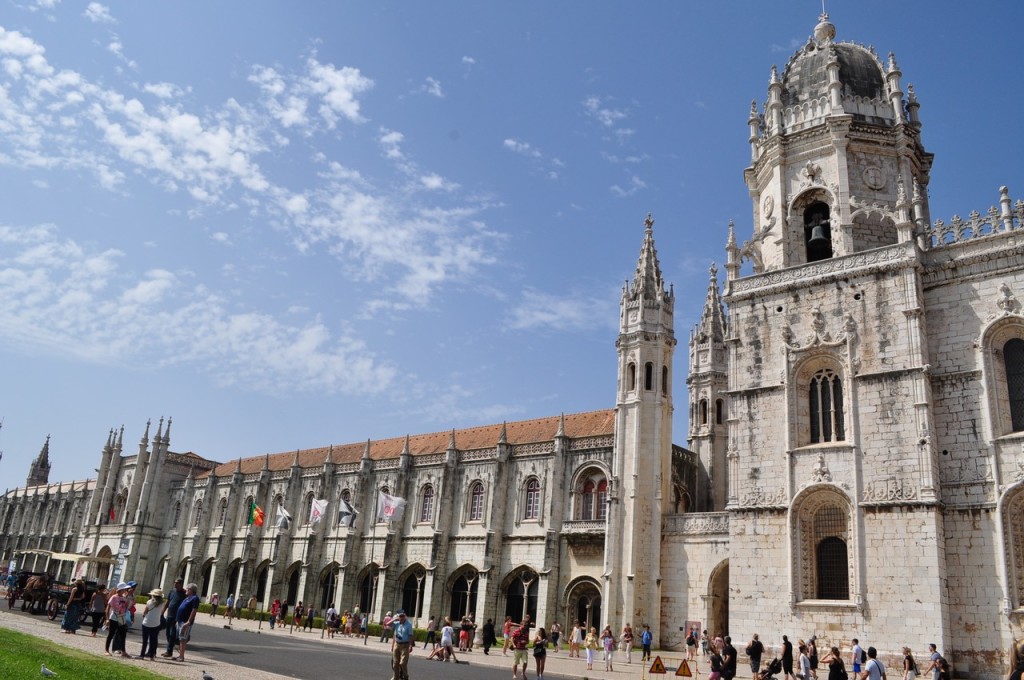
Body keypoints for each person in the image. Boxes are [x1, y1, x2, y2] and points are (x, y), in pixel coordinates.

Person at [175, 582, 201, 662]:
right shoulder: (187, 598)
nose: (186, 590)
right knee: (180, 638)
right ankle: (179, 655)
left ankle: (181, 656)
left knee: (183, 638)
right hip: (180, 621)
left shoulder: (195, 598)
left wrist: (189, 621)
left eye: (188, 589)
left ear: (191, 590)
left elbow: (194, 610)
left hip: (185, 622)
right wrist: (177, 620)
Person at [104, 582, 130, 657]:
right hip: (114, 617)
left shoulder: (124, 598)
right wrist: (107, 619)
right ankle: (106, 650)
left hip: (122, 617)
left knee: (123, 635)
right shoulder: (114, 597)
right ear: (121, 589)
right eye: (124, 589)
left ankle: (123, 651)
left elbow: (126, 607)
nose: (126, 590)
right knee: (111, 634)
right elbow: (108, 608)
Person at [161, 578, 186, 657]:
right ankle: (171, 646)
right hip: (169, 615)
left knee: (172, 634)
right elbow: (167, 603)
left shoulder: (184, 593)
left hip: (177, 617)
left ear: (181, 584)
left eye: (177, 583)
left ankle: (169, 651)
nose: (175, 584)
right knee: (168, 633)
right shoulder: (172, 591)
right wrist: (162, 613)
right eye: (175, 582)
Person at [139, 588, 164, 659]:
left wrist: (144, 616)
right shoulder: (162, 603)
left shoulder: (149, 602)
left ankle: (142, 655)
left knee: (145, 640)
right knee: (153, 640)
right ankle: (152, 655)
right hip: (156, 623)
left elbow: (145, 612)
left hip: (147, 622)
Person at [390, 609, 414, 680]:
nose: (402, 617)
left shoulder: (408, 624)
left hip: (405, 645)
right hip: (397, 645)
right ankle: (395, 677)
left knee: (403, 663)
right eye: (400, 616)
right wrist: (394, 619)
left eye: (403, 616)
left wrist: (410, 645)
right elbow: (387, 624)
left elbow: (410, 636)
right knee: (395, 663)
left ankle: (405, 676)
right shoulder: (396, 623)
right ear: (398, 617)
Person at [511, 615, 532, 680]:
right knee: (515, 663)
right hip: (517, 649)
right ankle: (514, 674)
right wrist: (514, 645)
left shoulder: (526, 632)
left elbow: (528, 641)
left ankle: (523, 672)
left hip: (524, 649)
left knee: (525, 662)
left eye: (526, 625)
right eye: (524, 625)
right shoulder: (516, 631)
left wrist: (525, 642)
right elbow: (512, 638)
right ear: (521, 625)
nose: (525, 627)